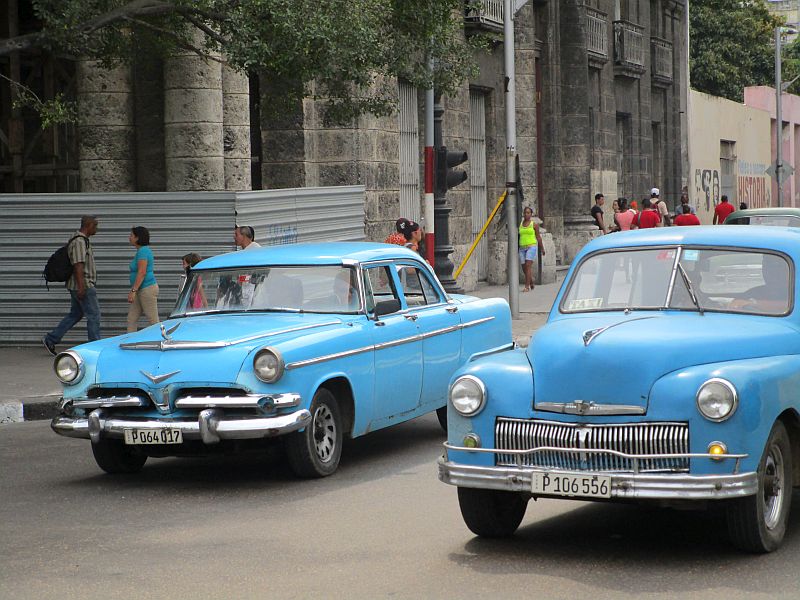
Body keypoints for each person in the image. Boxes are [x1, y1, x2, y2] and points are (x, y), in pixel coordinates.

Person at [42, 216, 101, 355]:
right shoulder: (80, 241)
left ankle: (51, 339)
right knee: (94, 315)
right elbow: (78, 265)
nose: (97, 229)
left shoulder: (79, 240)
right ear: (88, 226)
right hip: (83, 285)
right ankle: (95, 347)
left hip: (78, 285)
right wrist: (82, 287)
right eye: (95, 226)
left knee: (75, 314)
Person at [127, 226, 159, 332]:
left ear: (137, 238)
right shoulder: (141, 251)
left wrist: (133, 290)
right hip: (140, 289)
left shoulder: (143, 251)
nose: (129, 237)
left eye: (131, 235)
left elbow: (142, 272)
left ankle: (160, 342)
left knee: (153, 320)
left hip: (146, 289)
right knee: (131, 319)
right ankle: (130, 342)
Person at [518, 206, 545, 292]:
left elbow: (538, 237)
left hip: (531, 247)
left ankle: (527, 287)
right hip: (522, 248)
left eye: (528, 213)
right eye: (525, 212)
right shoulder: (520, 224)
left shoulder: (534, 224)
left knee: (528, 265)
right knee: (524, 268)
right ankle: (531, 282)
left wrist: (542, 248)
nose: (526, 214)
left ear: (531, 214)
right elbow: (518, 236)